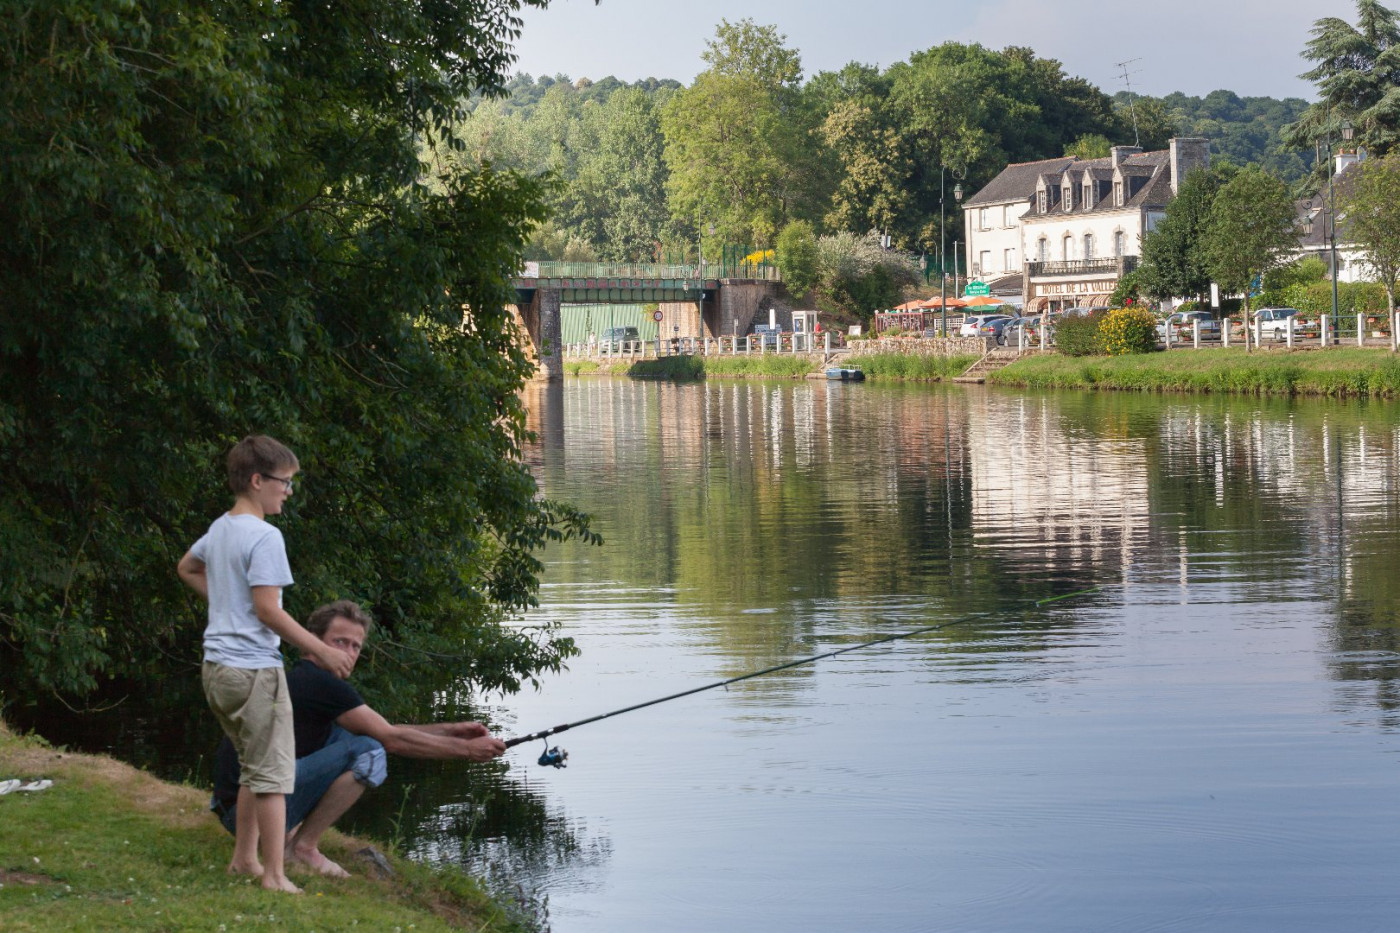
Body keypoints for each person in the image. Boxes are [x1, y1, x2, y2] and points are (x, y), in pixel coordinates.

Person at [211, 600, 507, 878]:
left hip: (234, 809)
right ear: (312, 640)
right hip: (250, 811)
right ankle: (303, 848)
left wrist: (451, 730)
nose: (349, 652)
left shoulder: (305, 679)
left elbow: (382, 727)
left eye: (356, 646)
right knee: (369, 753)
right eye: (340, 642)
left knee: (355, 737)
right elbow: (391, 740)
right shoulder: (321, 683)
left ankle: (292, 841)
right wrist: (466, 750)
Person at [178, 435, 353, 894]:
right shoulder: (264, 536)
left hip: (217, 670)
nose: (288, 492)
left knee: (252, 763)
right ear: (257, 481)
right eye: (284, 482)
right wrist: (324, 652)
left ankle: (244, 860)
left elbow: (187, 568)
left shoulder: (220, 529)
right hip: (254, 670)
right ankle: (275, 875)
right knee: (275, 773)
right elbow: (269, 611)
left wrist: (227, 606)